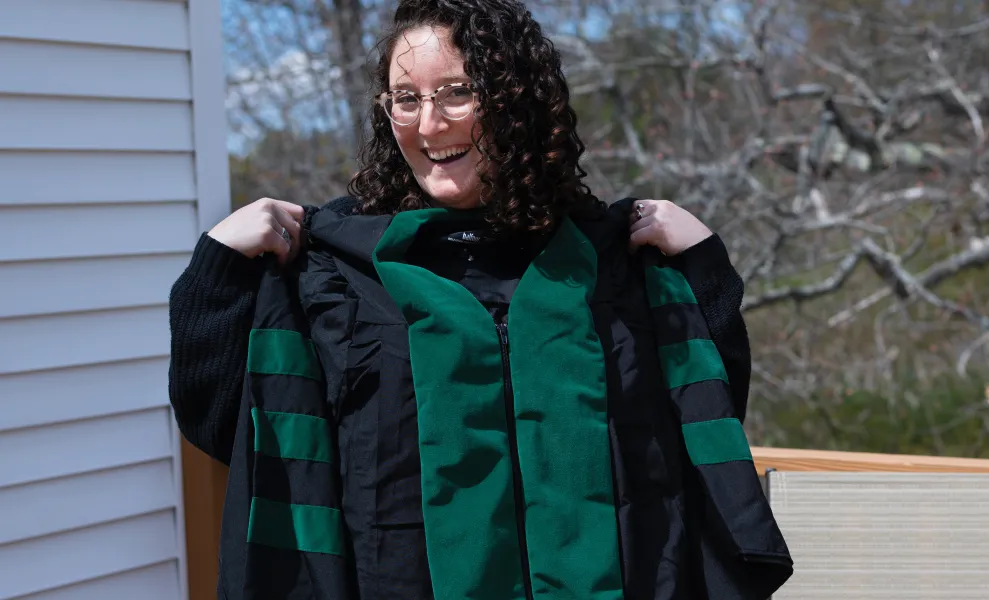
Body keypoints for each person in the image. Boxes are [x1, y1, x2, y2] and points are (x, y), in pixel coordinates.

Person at [167, 1, 792, 599]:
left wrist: (701, 265)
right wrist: (217, 269)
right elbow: (225, 423)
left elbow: (710, 406)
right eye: (406, 99)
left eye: (458, 92)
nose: (431, 124)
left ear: (517, 99)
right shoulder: (342, 277)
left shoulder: (607, 266)